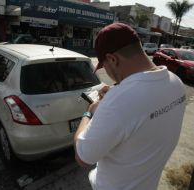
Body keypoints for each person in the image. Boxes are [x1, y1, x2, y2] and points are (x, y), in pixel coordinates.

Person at [74, 23, 186, 190]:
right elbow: (144, 103)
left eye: (105, 66)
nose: (108, 73)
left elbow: (83, 157)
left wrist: (89, 113)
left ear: (112, 59)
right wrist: (117, 93)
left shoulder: (119, 101)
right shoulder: (175, 81)